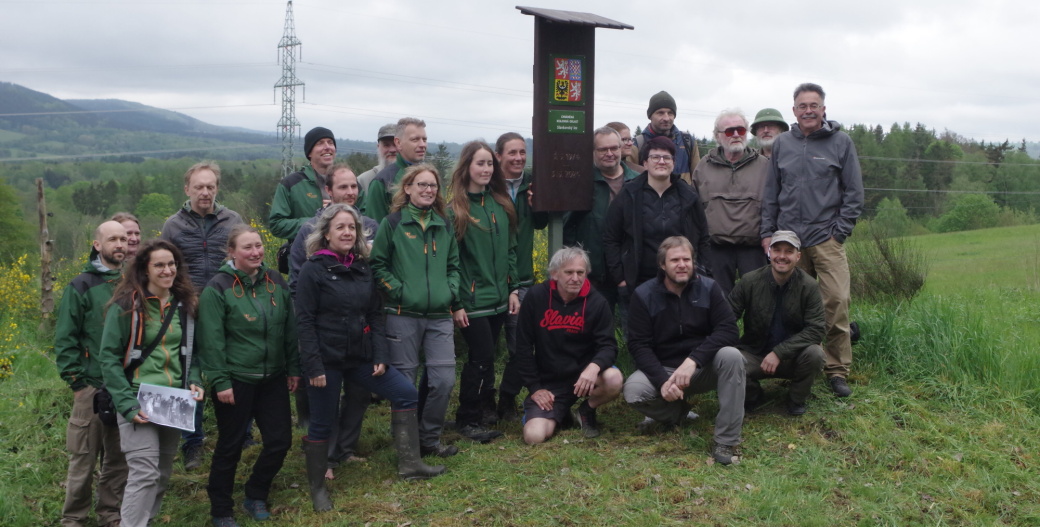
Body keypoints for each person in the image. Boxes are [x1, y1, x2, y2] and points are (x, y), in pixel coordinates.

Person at [295, 204, 445, 512]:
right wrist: (313, 366)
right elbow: (304, 321)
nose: (347, 232)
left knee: (405, 392)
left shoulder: (363, 267)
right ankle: (318, 489)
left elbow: (375, 314)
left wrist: (380, 354)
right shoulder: (313, 269)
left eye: (352, 227)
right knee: (322, 422)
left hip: (360, 357)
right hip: (326, 360)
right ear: (326, 234)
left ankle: (411, 464)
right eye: (340, 227)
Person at [761, 83, 864, 398]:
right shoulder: (783, 144)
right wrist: (768, 233)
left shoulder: (841, 142)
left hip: (826, 238)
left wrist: (839, 231)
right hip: (789, 240)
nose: (808, 111)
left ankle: (837, 371)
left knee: (836, 302)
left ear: (823, 109)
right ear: (794, 111)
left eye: (814, 105)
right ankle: (799, 366)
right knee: (793, 308)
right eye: (802, 106)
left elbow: (854, 192)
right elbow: (771, 193)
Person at [198, 225, 300, 527]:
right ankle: (221, 509)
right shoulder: (218, 287)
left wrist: (293, 368)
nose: (256, 252)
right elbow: (211, 341)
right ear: (231, 252)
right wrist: (220, 381)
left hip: (273, 377)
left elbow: (290, 330)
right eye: (247, 247)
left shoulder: (275, 281)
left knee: (280, 441)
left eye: (258, 245)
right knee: (229, 446)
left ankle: (255, 493)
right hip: (236, 379)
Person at [98, 239, 205, 527]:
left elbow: (193, 351)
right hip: (136, 399)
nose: (167, 270)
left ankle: (143, 521)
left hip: (173, 400)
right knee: (144, 472)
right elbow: (108, 358)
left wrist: (194, 379)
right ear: (145, 270)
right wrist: (126, 404)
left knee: (161, 473)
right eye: (159, 265)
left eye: (171, 264)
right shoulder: (126, 305)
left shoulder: (185, 304)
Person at [288, 163, 379, 476]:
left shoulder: (370, 227)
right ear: (328, 190)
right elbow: (297, 283)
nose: (350, 192)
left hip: (359, 330)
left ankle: (346, 449)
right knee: (324, 395)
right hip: (324, 330)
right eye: (343, 187)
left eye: (354, 186)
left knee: (358, 393)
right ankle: (323, 452)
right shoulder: (308, 230)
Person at [622, 236, 744, 465]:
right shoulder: (644, 295)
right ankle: (678, 411)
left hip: (702, 368)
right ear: (662, 264)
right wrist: (661, 381)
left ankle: (726, 440)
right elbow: (639, 345)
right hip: (665, 369)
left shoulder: (709, 288)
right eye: (675, 260)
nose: (682, 265)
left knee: (732, 356)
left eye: (686, 259)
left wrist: (693, 360)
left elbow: (729, 330)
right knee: (633, 391)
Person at [370, 164, 461, 458]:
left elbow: (454, 266)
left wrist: (450, 291)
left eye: (432, 185)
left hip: (439, 316)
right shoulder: (393, 223)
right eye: (421, 184)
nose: (428, 190)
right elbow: (378, 265)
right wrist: (399, 291)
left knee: (443, 380)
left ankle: (429, 440)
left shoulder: (444, 224)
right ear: (407, 188)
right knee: (405, 384)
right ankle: (406, 445)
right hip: (402, 314)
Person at [160, 161, 244, 470]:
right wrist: (182, 297)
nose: (205, 192)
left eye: (210, 186)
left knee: (235, 370)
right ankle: (191, 442)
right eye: (199, 187)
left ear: (217, 188)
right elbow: (165, 267)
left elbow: (243, 261)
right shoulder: (173, 225)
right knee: (186, 372)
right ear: (187, 189)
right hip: (187, 308)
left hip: (228, 307)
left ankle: (242, 434)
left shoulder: (233, 220)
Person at [55, 221, 129, 527]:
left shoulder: (132, 282)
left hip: (125, 388)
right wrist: (78, 383)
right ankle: (74, 518)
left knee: (119, 459)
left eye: (123, 239)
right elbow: (65, 339)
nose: (120, 244)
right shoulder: (81, 286)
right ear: (97, 245)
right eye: (112, 239)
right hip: (91, 387)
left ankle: (110, 514)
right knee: (83, 459)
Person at [513, 247, 623, 444]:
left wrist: (593, 367)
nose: (575, 278)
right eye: (569, 272)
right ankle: (559, 412)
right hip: (549, 382)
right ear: (555, 273)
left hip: (583, 378)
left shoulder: (597, 302)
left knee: (614, 378)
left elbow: (608, 346)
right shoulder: (536, 296)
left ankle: (586, 410)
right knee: (534, 437)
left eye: (580, 272)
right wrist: (535, 388)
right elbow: (523, 346)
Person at [449, 140, 519, 442]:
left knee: (488, 358)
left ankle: (482, 412)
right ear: (467, 167)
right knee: (480, 356)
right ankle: (467, 418)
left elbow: (511, 250)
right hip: (472, 300)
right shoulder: (457, 209)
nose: (486, 169)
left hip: (500, 299)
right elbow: (451, 261)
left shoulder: (501, 204)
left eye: (490, 163)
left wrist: (513, 288)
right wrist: (456, 302)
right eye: (480, 163)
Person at [603, 136, 712, 330]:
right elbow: (611, 238)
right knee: (639, 337)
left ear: (674, 163)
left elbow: (704, 237)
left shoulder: (688, 196)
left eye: (667, 157)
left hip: (681, 280)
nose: (661, 161)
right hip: (638, 281)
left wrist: (701, 271)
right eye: (655, 157)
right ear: (645, 162)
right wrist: (620, 278)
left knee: (679, 334)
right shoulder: (629, 194)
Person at [728, 231, 825, 416]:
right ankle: (753, 395)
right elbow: (727, 318)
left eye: (789, 251)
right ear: (769, 253)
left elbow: (816, 329)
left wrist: (779, 352)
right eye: (777, 250)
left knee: (815, 354)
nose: (782, 256)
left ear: (798, 256)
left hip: (792, 357)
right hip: (755, 353)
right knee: (728, 359)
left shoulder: (810, 286)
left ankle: (796, 398)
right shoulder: (749, 281)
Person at [494, 132, 548, 422]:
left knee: (521, 346)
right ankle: (482, 402)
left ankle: (507, 398)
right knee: (486, 348)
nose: (518, 158)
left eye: (522, 152)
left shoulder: (532, 183)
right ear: (498, 156)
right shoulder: (488, 185)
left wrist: (539, 203)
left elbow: (540, 224)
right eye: (512, 153)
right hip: (492, 279)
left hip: (524, 278)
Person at [691, 109, 770, 295]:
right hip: (715, 249)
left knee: (758, 300)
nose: (735, 135)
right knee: (718, 302)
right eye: (729, 131)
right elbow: (693, 210)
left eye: (740, 130)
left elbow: (773, 206)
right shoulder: (703, 167)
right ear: (717, 136)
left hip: (754, 248)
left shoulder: (765, 166)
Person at [564, 126, 639, 313]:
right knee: (593, 327)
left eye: (614, 148)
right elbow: (567, 227)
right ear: (592, 152)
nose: (610, 153)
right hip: (595, 276)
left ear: (621, 148)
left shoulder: (638, 181)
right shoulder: (581, 182)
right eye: (603, 149)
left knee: (634, 327)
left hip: (631, 275)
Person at [269, 126, 337, 242]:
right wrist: (318, 221)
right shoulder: (291, 184)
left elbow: (364, 218)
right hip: (304, 251)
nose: (327, 147)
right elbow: (276, 225)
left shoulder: (349, 182)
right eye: (320, 143)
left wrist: (342, 211)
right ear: (309, 152)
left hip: (344, 252)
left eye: (330, 142)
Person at [362, 117, 428, 223]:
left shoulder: (431, 178)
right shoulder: (381, 182)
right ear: (399, 143)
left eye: (424, 140)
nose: (422, 145)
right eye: (415, 140)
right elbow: (375, 227)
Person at [631, 91, 701, 184]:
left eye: (670, 113)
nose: (666, 118)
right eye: (660, 113)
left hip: (684, 193)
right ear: (650, 116)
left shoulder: (687, 141)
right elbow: (631, 180)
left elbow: (699, 179)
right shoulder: (637, 144)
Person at [357, 123, 399, 195]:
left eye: (395, 144)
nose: (392, 150)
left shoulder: (414, 177)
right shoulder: (363, 181)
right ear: (378, 147)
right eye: (386, 145)